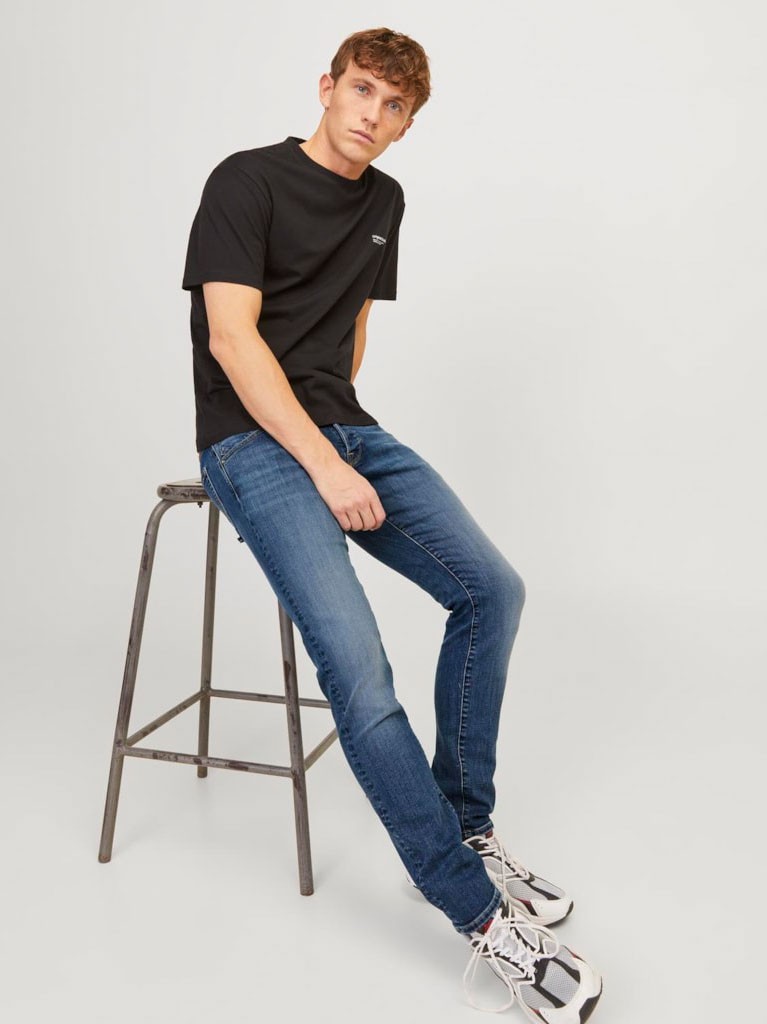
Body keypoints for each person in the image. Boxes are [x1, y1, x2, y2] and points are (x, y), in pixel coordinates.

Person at [181, 26, 602, 1020]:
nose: (373, 114)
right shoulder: (244, 181)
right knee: (360, 669)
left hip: (344, 428)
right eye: (363, 90)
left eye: (395, 105)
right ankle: (479, 919)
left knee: (490, 590)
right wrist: (320, 465)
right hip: (248, 442)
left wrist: (344, 440)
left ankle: (462, 827)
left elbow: (349, 331)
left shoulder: (384, 201)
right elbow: (232, 341)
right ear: (327, 86)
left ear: (408, 124)